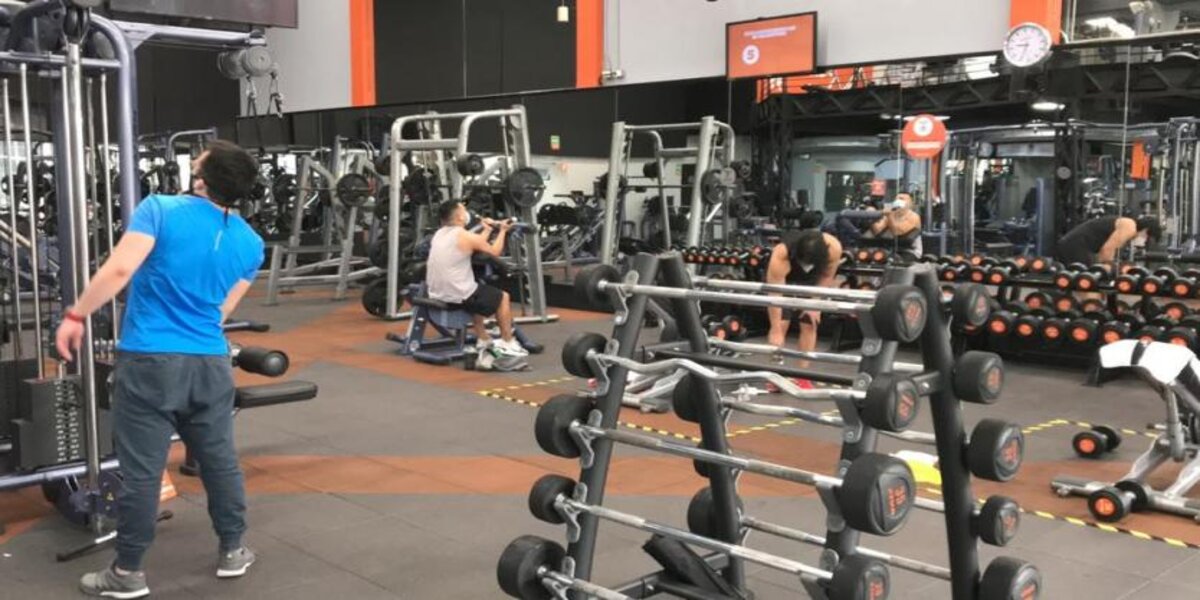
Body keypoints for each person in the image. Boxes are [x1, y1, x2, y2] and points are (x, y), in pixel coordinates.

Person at [54, 140, 265, 598]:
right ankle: (233, 549)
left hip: (151, 359)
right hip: (210, 362)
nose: (194, 162)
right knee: (220, 463)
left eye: (199, 161)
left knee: (143, 471)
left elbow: (118, 270)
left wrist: (75, 316)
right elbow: (221, 311)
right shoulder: (251, 243)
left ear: (204, 178)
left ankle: (127, 573)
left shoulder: (161, 209)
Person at [426, 199, 526, 357]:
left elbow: (473, 242)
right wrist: (503, 231)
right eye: (463, 210)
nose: (466, 213)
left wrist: (486, 230)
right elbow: (494, 251)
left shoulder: (439, 234)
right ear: (459, 217)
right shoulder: (464, 236)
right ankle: (508, 342)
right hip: (456, 295)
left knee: (476, 288)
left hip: (436, 292)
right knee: (502, 297)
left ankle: (484, 339)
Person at [765, 229, 843, 373]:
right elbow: (775, 294)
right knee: (781, 325)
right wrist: (775, 329)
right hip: (786, 281)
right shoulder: (782, 253)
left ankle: (802, 375)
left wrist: (815, 305)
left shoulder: (834, 248)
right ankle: (774, 373)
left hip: (811, 283)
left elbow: (827, 276)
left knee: (810, 323)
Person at [1055, 215, 1161, 268]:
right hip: (1075, 245)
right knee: (1088, 282)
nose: (1144, 241)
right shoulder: (1130, 227)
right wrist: (1107, 268)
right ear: (1146, 230)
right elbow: (1107, 251)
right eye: (1147, 238)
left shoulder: (1128, 226)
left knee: (1086, 281)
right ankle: (1091, 309)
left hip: (1074, 245)